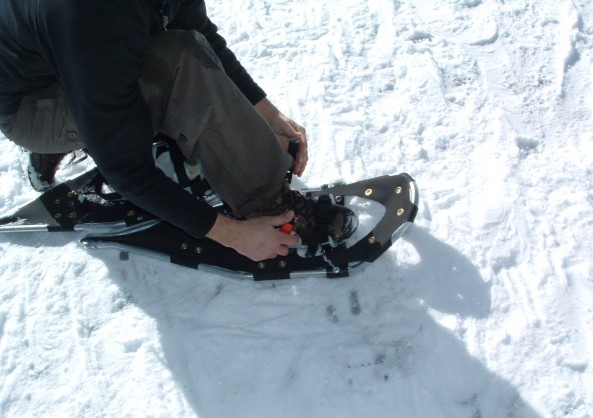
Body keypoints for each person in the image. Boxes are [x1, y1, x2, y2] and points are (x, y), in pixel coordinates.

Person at [0, 0, 356, 262]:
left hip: (62, 60)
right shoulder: (92, 17)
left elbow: (196, 29)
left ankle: (95, 117)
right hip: (28, 104)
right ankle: (268, 206)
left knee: (182, 47)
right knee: (179, 64)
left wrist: (265, 110)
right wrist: (231, 235)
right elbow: (127, 171)